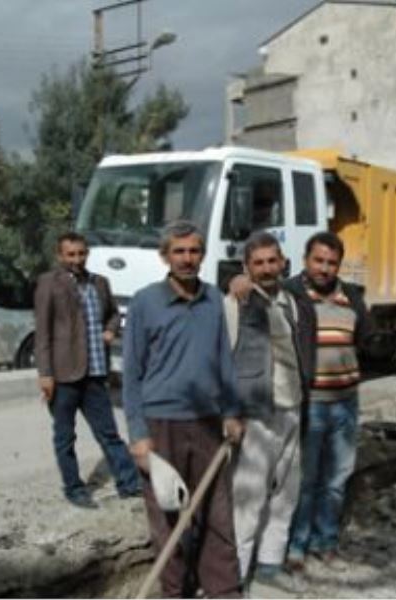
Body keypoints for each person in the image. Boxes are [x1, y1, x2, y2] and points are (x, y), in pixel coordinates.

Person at [230, 231, 369, 570]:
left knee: (319, 483)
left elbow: (363, 340)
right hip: (290, 406)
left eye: (331, 262)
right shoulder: (272, 295)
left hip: (329, 402)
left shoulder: (343, 296)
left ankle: (306, 548)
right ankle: (267, 559)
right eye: (318, 260)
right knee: (279, 486)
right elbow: (227, 349)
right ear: (305, 261)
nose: (324, 268)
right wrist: (235, 279)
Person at [122, 220, 244, 598]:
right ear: (165, 256)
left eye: (194, 251)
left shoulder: (212, 301)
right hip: (161, 426)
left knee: (217, 516)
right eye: (179, 251)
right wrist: (139, 435)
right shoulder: (146, 302)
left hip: (208, 424)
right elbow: (131, 373)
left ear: (203, 255)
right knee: (168, 520)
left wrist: (232, 410)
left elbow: (224, 361)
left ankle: (224, 590)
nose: (187, 259)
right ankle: (175, 591)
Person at [225, 231, 315, 593]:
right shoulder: (236, 302)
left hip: (293, 405)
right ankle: (234, 576)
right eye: (257, 263)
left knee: (286, 491)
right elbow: (223, 359)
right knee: (248, 496)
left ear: (282, 263)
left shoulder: (293, 301)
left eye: (271, 261)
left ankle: (269, 562)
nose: (266, 268)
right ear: (246, 267)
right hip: (256, 411)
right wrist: (230, 412)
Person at [34, 231, 140, 509]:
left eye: (81, 253)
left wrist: (110, 330)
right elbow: (42, 332)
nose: (77, 259)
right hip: (63, 375)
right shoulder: (49, 283)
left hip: (95, 373)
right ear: (60, 255)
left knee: (109, 433)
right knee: (65, 437)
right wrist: (45, 374)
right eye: (71, 254)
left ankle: (130, 483)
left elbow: (115, 314)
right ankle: (74, 488)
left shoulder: (99, 283)